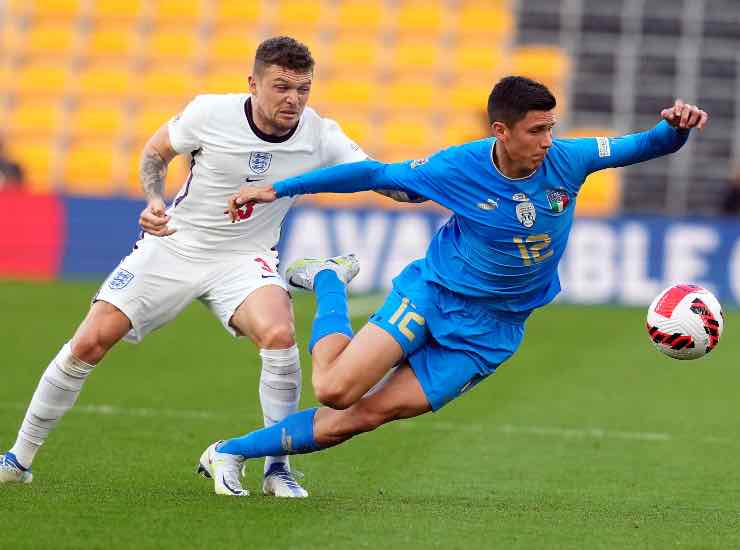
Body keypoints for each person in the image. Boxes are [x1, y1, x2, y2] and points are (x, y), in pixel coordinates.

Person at [196, 76, 709, 496]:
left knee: (365, 416)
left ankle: (229, 451)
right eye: (536, 131)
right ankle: (330, 282)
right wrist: (278, 188)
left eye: (551, 128)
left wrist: (677, 129)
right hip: (435, 293)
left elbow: (644, 144)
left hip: (493, 331)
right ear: (501, 131)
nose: (547, 142)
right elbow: (372, 173)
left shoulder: (569, 160)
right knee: (334, 390)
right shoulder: (456, 168)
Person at [0, 36, 409, 497]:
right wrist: (155, 200)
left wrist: (433, 184)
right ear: (253, 83)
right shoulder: (209, 113)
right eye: (281, 87)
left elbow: (381, 178)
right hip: (176, 245)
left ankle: (278, 470)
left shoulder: (321, 135)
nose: (293, 99)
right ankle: (19, 458)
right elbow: (155, 154)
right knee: (89, 341)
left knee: (279, 334)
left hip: (245, 258)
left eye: (303, 88)